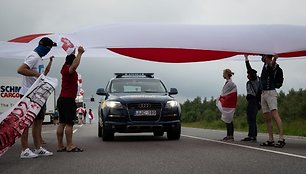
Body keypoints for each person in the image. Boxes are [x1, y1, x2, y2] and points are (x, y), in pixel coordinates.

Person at [17, 37, 56, 158]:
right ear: (41, 45)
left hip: (38, 94)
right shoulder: (33, 56)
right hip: (28, 94)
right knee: (26, 122)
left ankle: (38, 148)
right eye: (47, 48)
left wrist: (45, 70)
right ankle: (24, 150)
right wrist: (37, 74)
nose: (48, 50)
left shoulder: (40, 58)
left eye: (50, 49)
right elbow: (21, 69)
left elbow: (44, 74)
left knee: (38, 121)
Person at [56, 46, 85, 152]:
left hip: (61, 99)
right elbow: (75, 64)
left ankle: (60, 146)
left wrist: (73, 50)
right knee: (69, 124)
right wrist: (80, 53)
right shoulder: (70, 71)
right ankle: (70, 145)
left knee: (62, 123)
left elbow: (70, 60)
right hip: (68, 100)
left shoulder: (64, 68)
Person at [259, 55, 285, 148]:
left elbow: (272, 65)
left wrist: (274, 59)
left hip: (270, 92)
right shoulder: (265, 65)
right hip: (264, 93)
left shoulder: (272, 65)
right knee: (267, 117)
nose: (262, 58)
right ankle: (271, 139)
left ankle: (281, 138)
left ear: (267, 57)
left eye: (264, 56)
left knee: (275, 114)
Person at [241, 55, 260, 142]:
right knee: (251, 118)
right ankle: (253, 135)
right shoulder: (249, 82)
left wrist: (246, 59)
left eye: (248, 74)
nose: (247, 75)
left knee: (251, 118)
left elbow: (249, 69)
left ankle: (252, 136)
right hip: (252, 101)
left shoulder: (255, 80)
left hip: (253, 101)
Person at [217, 69, 237, 141]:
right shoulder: (228, 82)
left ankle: (231, 136)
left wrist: (221, 98)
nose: (223, 75)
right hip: (227, 103)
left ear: (226, 74)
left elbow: (228, 94)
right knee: (227, 119)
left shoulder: (231, 83)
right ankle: (229, 135)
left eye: (223, 73)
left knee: (229, 119)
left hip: (229, 104)